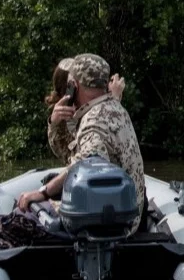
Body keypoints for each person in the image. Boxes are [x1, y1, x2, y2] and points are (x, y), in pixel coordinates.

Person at [17, 54, 144, 213]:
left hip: (114, 219)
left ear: (74, 85)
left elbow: (83, 165)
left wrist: (43, 192)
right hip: (126, 209)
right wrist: (55, 124)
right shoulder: (114, 107)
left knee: (27, 211)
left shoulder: (94, 121)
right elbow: (70, 154)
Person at [45, 58, 126, 162]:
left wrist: (112, 101)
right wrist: (54, 125)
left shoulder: (92, 108)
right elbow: (71, 156)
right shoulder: (70, 115)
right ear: (72, 87)